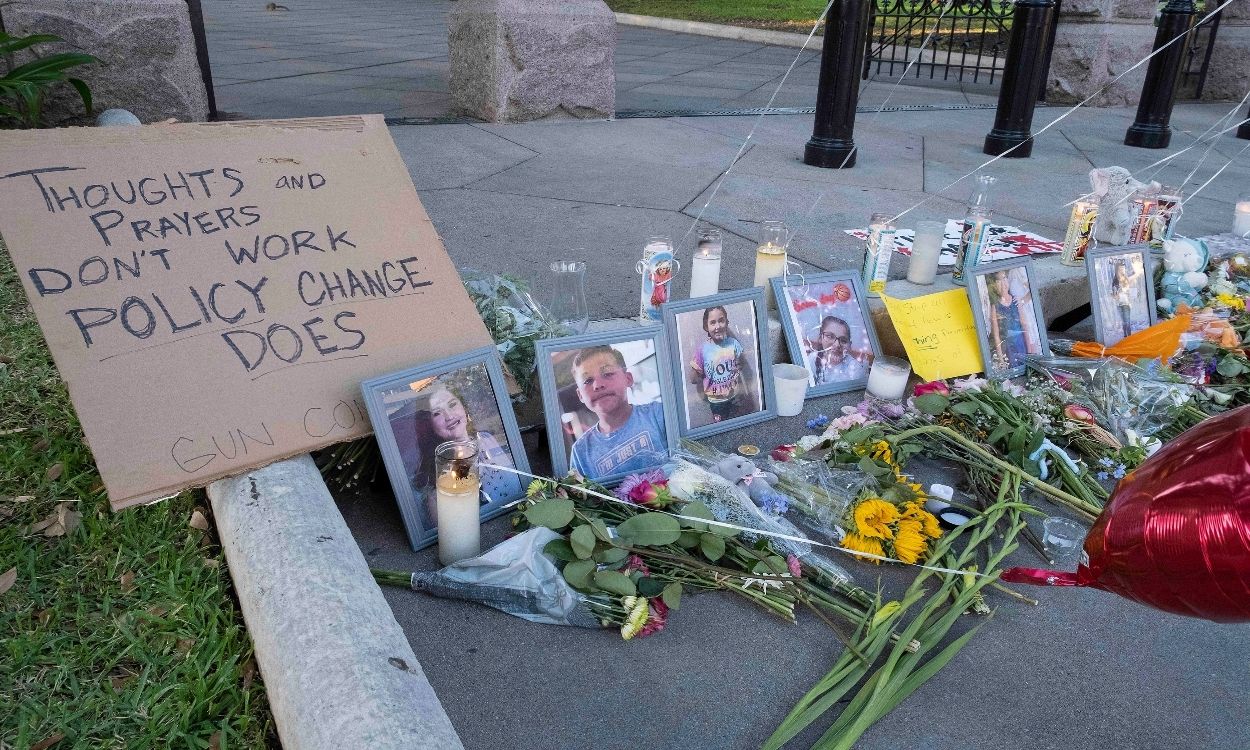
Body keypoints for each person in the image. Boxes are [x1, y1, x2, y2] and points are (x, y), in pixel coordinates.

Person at [412, 383, 520, 528]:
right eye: (437, 413)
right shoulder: (434, 475)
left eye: (452, 404)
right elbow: (449, 531)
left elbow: (518, 484)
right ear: (429, 425)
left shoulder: (486, 439)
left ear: (464, 406)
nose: (449, 415)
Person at [568, 345, 668, 480]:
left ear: (628, 378)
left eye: (607, 374)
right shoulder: (580, 452)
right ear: (580, 395)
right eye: (588, 381)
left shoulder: (659, 415)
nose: (597, 385)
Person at [689, 305, 750, 424]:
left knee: (736, 420)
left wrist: (739, 365)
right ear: (706, 327)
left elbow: (741, 362)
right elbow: (693, 378)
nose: (717, 326)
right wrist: (695, 373)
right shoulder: (702, 350)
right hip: (716, 401)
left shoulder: (733, 344)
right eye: (712, 323)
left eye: (721, 321)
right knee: (721, 424)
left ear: (727, 323)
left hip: (734, 394)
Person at [807, 315, 866, 385]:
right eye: (830, 336)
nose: (837, 344)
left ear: (849, 345)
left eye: (843, 340)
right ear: (820, 338)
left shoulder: (855, 370)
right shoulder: (812, 358)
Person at [988, 270, 1028, 372]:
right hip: (1007, 346)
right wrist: (1001, 358)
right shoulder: (995, 305)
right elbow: (996, 335)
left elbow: (1025, 325)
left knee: (1025, 366)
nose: (1003, 283)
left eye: (1005, 278)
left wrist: (1030, 348)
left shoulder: (1015, 300)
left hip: (1020, 342)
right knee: (1013, 367)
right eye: (998, 281)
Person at [1110, 260, 1135, 340]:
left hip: (1126, 303)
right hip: (1119, 304)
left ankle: (1130, 337)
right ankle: (1125, 336)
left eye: (1123, 269)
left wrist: (1125, 291)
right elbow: (1114, 296)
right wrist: (1115, 295)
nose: (1122, 270)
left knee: (1127, 321)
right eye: (1120, 269)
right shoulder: (1115, 282)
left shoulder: (1126, 279)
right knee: (1124, 321)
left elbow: (1131, 292)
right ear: (1117, 270)